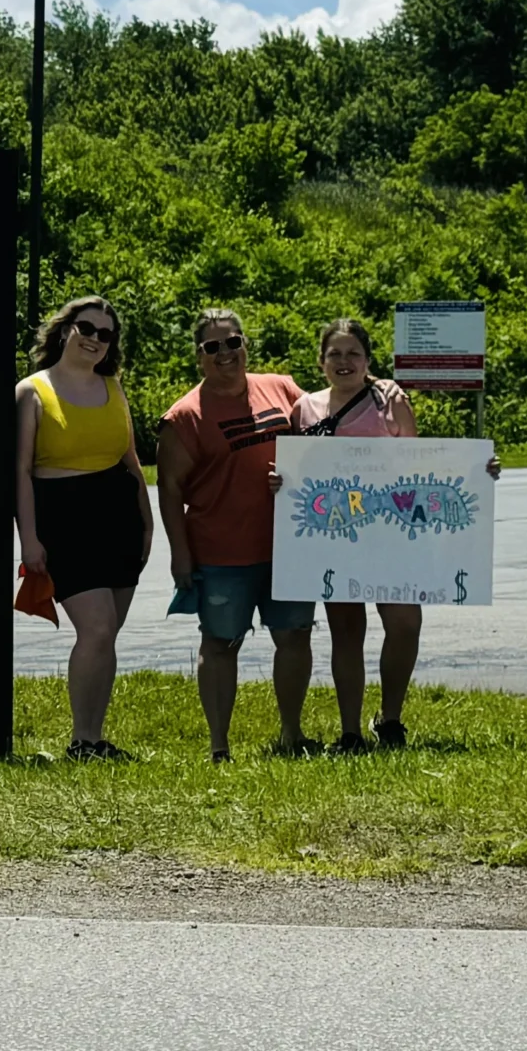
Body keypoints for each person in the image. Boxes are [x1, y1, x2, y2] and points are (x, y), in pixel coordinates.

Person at [285, 317, 501, 751]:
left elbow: (422, 464)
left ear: (368, 360)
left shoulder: (390, 402)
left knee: (405, 623)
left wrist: (476, 471)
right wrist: (281, 483)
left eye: (353, 354)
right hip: (337, 535)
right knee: (346, 631)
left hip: (394, 534)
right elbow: (298, 473)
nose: (344, 362)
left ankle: (391, 719)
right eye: (335, 354)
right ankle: (349, 731)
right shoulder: (304, 408)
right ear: (321, 360)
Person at [155, 308, 313, 760]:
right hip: (221, 552)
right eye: (212, 346)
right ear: (199, 356)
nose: (225, 353)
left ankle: (291, 734)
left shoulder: (282, 388)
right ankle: (220, 746)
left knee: (295, 636)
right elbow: (169, 491)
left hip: (289, 546)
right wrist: (179, 555)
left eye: (233, 342)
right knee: (221, 644)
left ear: (246, 345)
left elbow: (323, 441)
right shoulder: (183, 418)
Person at [15, 294, 153, 760]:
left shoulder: (114, 387)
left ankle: (95, 737)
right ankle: (80, 739)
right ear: (65, 329)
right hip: (63, 517)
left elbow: (131, 458)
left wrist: (148, 521)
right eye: (86, 328)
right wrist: (28, 538)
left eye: (105, 334)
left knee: (108, 633)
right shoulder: (32, 391)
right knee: (95, 628)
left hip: (118, 515)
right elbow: (20, 472)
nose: (95, 339)